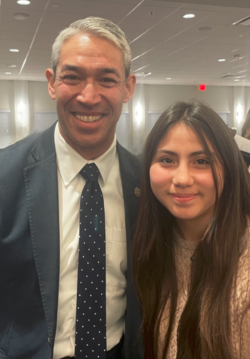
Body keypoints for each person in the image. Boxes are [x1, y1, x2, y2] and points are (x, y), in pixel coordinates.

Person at [0, 17, 143, 359]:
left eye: (107, 79)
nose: (88, 96)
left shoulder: (146, 182)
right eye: (73, 77)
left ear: (128, 87)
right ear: (52, 82)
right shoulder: (5, 175)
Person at [133, 100, 250, 359]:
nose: (182, 179)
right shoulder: (150, 250)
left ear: (228, 169)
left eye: (201, 161)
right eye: (167, 160)